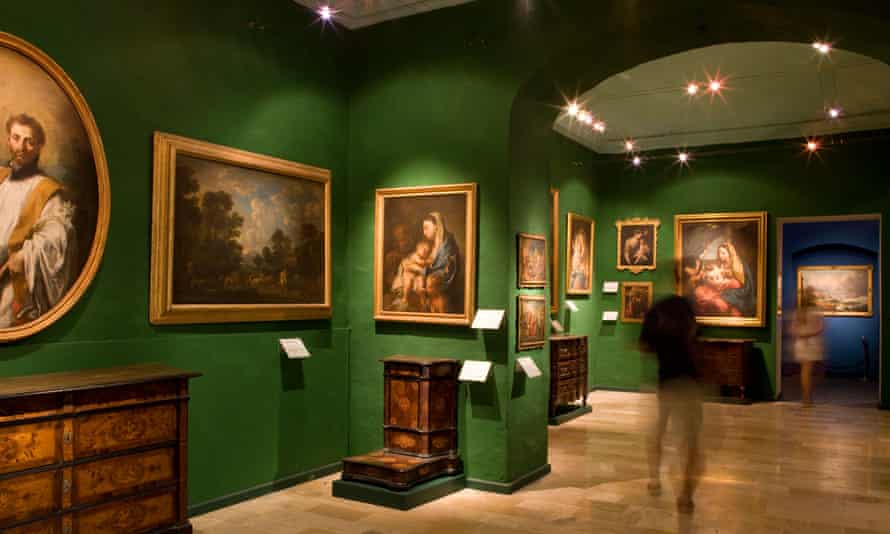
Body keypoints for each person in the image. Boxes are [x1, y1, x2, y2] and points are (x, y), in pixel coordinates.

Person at [0, 113, 76, 328]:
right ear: (8, 139)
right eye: (16, 138)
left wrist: (25, 255)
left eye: (29, 141)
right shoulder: (0, 177)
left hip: (11, 282)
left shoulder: (47, 191)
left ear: (39, 146)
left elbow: (58, 235)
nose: (20, 147)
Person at [639, 295, 703, 514]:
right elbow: (696, 337)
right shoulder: (686, 307)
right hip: (688, 381)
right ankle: (685, 495)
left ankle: (655, 479)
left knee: (659, 431)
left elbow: (644, 346)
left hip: (665, 381)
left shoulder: (655, 311)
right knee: (690, 440)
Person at [685, 242, 754, 316]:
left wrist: (726, 283)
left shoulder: (739, 265)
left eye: (723, 253)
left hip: (734, 292)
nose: (721, 256)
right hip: (717, 288)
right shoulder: (718, 264)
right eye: (719, 253)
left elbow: (743, 286)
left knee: (729, 307)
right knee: (700, 294)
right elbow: (710, 277)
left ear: (730, 253)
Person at [790, 288, 825, 405]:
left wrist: (802, 334)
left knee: (805, 371)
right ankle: (807, 398)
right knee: (808, 371)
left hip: (801, 343)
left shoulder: (798, 312)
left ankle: (806, 397)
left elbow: (792, 330)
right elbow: (820, 328)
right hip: (811, 343)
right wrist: (809, 334)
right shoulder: (815, 312)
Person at [420, 212, 461, 312]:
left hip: (443, 282)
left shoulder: (448, 244)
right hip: (434, 281)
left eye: (426, 228)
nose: (424, 232)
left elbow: (448, 268)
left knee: (430, 283)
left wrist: (427, 272)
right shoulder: (434, 243)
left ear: (437, 226)